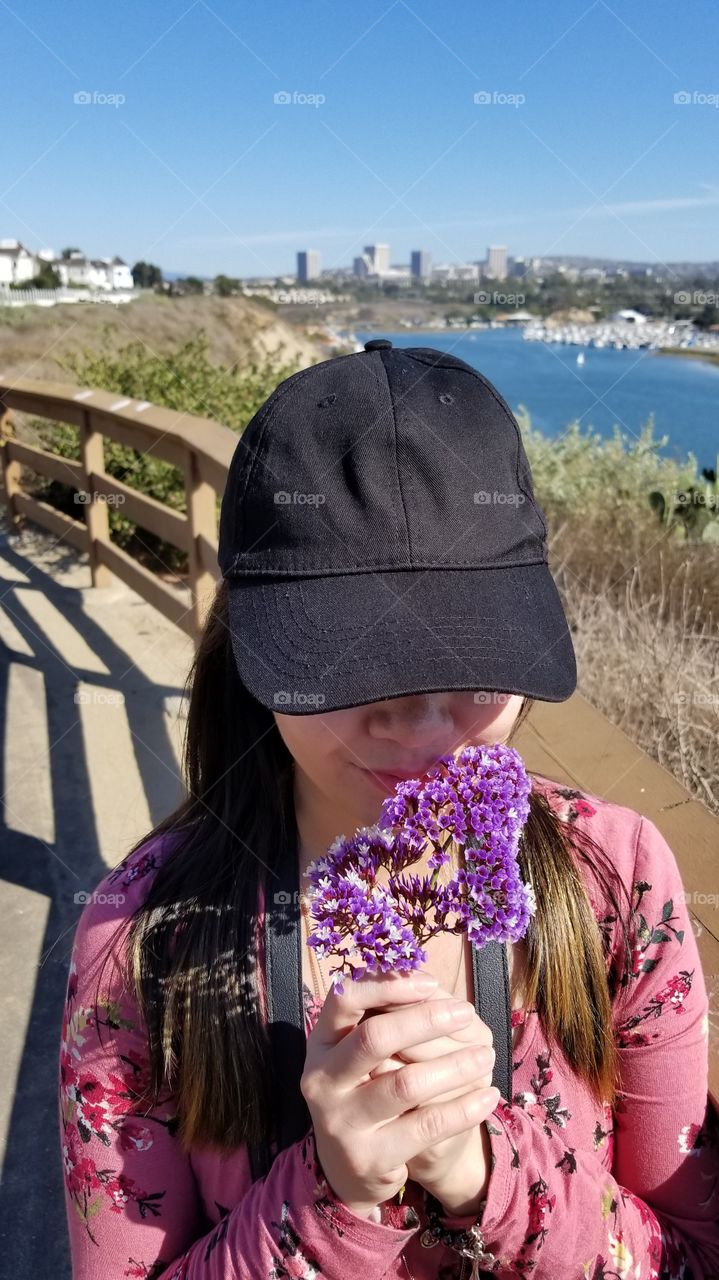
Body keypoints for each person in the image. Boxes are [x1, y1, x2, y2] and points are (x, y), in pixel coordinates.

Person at [58, 339, 719, 1279]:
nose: (419, 722)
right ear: (252, 648)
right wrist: (327, 1202)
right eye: (345, 660)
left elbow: (693, 1255)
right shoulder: (141, 942)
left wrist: (488, 1174)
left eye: (471, 652)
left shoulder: (617, 881)